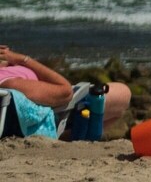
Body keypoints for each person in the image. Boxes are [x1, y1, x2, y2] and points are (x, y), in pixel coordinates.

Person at [0, 45, 130, 137]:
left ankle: (84, 135)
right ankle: (75, 135)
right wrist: (23, 59)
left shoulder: (7, 73)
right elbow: (65, 92)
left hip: (47, 96)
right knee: (122, 93)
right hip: (58, 112)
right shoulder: (9, 82)